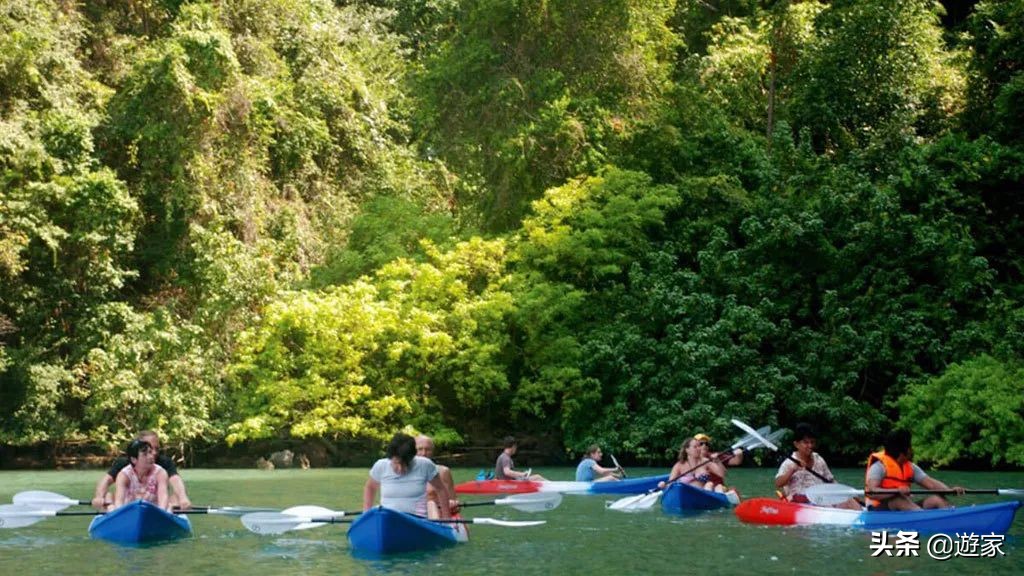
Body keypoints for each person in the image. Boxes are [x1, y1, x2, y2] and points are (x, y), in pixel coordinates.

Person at [91, 430, 191, 511]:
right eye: (148, 450)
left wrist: (183, 498)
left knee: (175, 498)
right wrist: (99, 497)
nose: (154, 453)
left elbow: (175, 480)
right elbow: (106, 480)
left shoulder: (164, 464)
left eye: (156, 449)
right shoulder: (123, 466)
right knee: (108, 496)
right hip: (130, 504)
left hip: (155, 505)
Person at [865, 429, 964, 511]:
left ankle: (951, 515)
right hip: (878, 510)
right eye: (910, 447)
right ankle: (925, 518)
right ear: (905, 450)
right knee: (898, 499)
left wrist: (950, 491)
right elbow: (872, 492)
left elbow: (931, 484)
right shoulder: (878, 467)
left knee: (937, 499)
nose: (912, 450)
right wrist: (896, 491)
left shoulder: (910, 467)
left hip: (906, 508)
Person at [364, 432, 452, 519]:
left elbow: (441, 489)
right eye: (396, 463)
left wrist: (447, 518)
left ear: (413, 457)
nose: (400, 468)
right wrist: (366, 514)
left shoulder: (425, 465)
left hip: (417, 520)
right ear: (390, 458)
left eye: (405, 464)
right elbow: (370, 487)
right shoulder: (381, 466)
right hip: (388, 518)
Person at [774, 423, 860, 510]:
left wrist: (847, 492)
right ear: (796, 444)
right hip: (799, 502)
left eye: (812, 442)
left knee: (848, 500)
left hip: (821, 499)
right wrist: (792, 470)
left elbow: (831, 481)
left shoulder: (819, 459)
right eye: (806, 442)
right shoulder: (789, 463)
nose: (810, 446)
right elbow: (778, 483)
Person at [657, 437, 736, 496]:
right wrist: (664, 485)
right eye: (695, 447)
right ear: (687, 450)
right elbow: (670, 483)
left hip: (704, 494)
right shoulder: (679, 466)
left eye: (699, 446)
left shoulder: (705, 462)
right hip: (686, 495)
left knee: (710, 484)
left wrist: (718, 461)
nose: (699, 449)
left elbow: (722, 475)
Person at [113, 438, 170, 510]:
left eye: (150, 452)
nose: (151, 456)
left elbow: (163, 498)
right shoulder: (124, 475)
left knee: (169, 508)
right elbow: (119, 502)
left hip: (155, 513)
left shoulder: (161, 473)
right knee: (111, 507)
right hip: (130, 513)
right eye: (145, 454)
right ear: (134, 460)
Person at [416, 434, 460, 516]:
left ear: (432, 451)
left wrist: (453, 503)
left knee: (431, 504)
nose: (424, 453)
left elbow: (455, 503)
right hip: (415, 518)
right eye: (420, 449)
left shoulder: (443, 471)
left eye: (428, 449)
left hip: (438, 517)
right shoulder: (406, 472)